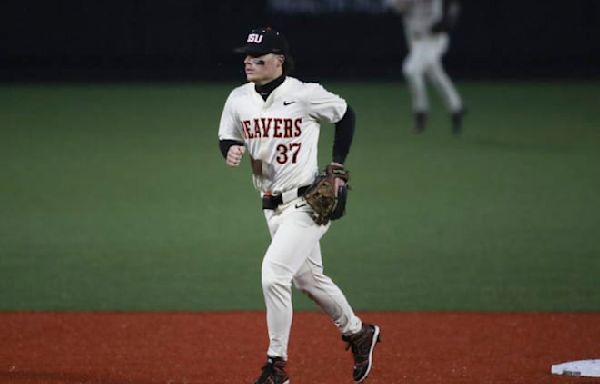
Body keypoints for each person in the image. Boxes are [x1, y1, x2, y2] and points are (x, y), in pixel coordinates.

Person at [217, 27, 381, 384]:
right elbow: (227, 134)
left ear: (278, 60)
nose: (248, 61)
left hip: (308, 202)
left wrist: (337, 164)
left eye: (256, 56)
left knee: (274, 273)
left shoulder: (305, 94)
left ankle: (276, 365)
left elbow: (345, 113)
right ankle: (358, 333)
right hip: (269, 207)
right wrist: (229, 148)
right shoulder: (239, 98)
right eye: (245, 55)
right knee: (309, 280)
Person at [386, 0, 465, 134]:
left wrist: (449, 17)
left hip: (433, 39)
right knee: (436, 75)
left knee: (410, 70)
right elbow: (397, 7)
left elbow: (444, 16)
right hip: (416, 39)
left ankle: (421, 112)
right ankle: (456, 108)